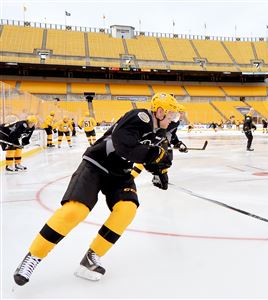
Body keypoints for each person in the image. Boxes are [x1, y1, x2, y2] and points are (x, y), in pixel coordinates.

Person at [13, 92, 181, 286]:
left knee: (127, 210)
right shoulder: (140, 117)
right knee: (75, 210)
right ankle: (33, 256)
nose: (172, 121)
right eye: (171, 116)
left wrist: (160, 173)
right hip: (97, 163)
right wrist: (154, 154)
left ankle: (91, 258)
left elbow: (152, 159)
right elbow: (123, 145)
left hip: (120, 173)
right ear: (159, 111)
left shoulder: (159, 133)